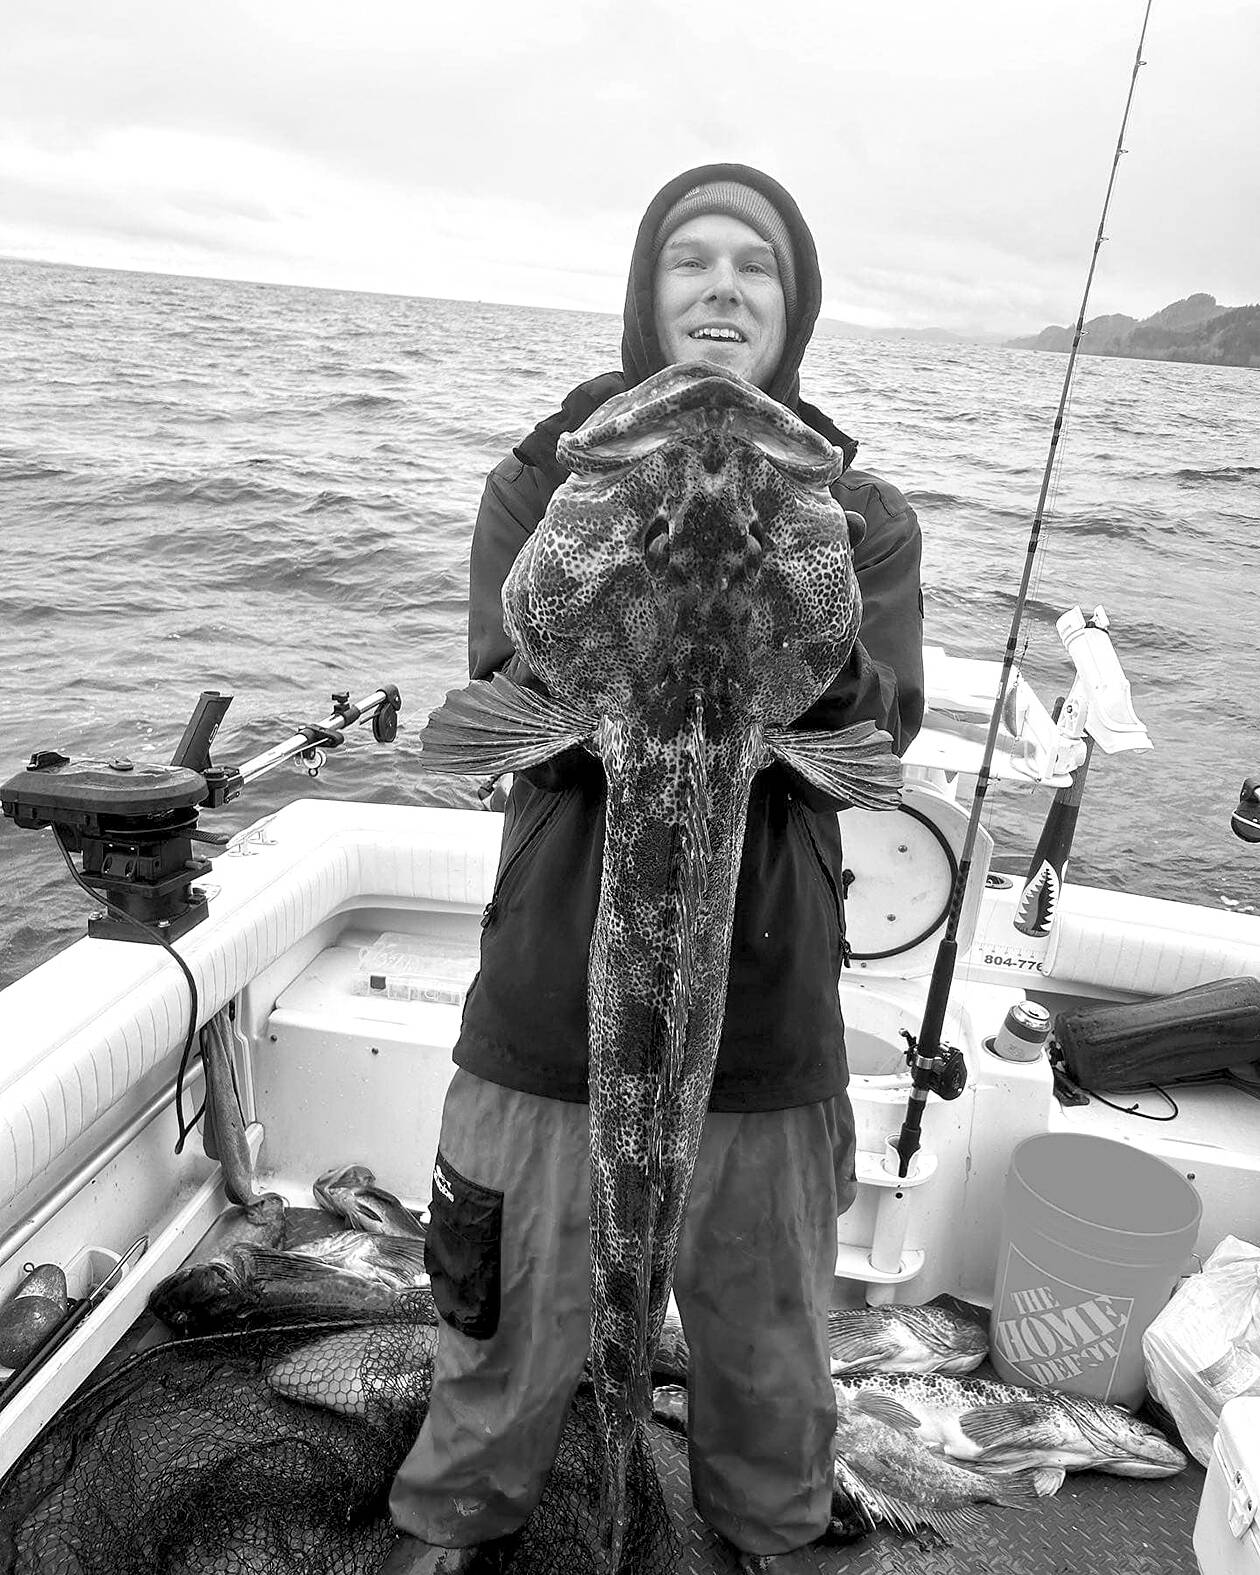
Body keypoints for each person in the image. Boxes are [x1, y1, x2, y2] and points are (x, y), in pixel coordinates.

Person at [383, 163, 925, 1575]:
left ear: (794, 305)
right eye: (693, 259)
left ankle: (764, 1528)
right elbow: (509, 674)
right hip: (547, 999)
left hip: (769, 1008)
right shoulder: (547, 471)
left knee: (769, 1357)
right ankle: (463, 1522)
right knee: (502, 1342)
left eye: (759, 263)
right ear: (648, 291)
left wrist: (796, 614)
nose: (725, 285)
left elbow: (880, 728)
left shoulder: (857, 511)